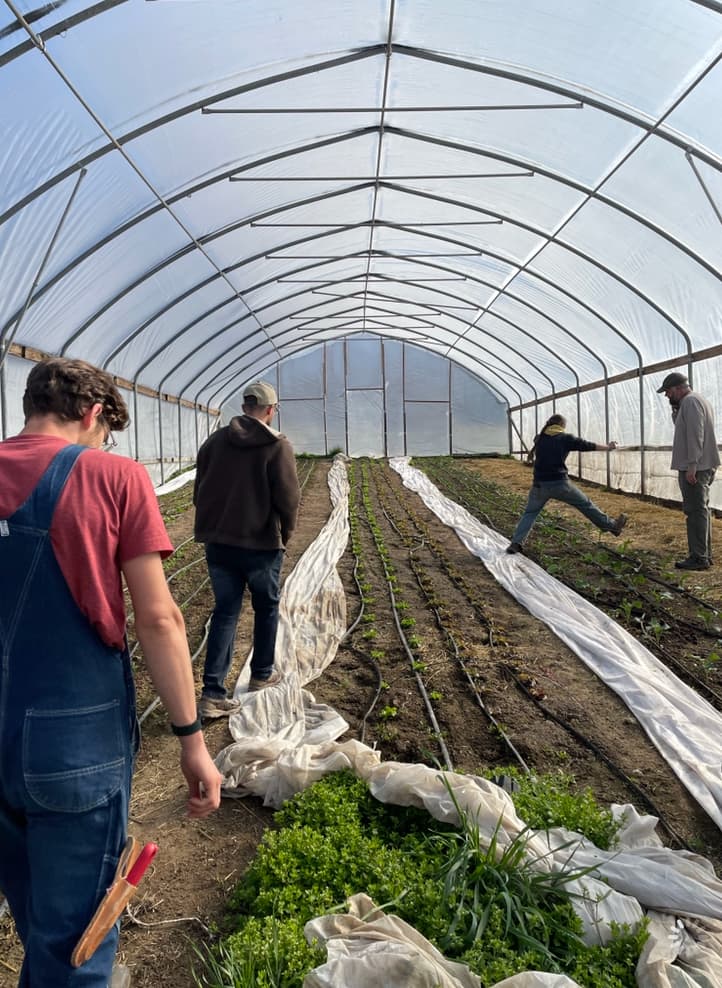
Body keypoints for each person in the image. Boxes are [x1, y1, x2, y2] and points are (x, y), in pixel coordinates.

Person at [0, 357, 222, 986]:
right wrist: (192, 740)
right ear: (93, 414)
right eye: (104, 433)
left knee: (33, 910)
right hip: (70, 741)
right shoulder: (113, 476)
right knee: (77, 939)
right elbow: (159, 619)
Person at [193, 380, 300, 717]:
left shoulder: (214, 442)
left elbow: (199, 490)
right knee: (266, 607)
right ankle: (261, 675)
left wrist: (212, 525)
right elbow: (288, 498)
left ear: (244, 408)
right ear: (270, 410)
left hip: (219, 543)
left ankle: (212, 694)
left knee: (226, 612)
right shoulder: (277, 445)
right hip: (260, 544)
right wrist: (286, 533)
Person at [507, 414, 627, 554]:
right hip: (560, 485)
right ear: (562, 426)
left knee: (530, 513)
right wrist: (608, 447)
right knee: (585, 504)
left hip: (539, 485)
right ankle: (612, 526)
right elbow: (587, 445)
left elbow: (542, 441)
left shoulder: (539, 438)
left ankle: (515, 544)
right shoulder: (565, 438)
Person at [658, 371, 719, 571]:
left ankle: (699, 558)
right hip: (702, 465)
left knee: (695, 511)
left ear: (678, 388)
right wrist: (676, 409)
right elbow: (686, 428)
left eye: (668, 391)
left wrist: (692, 464)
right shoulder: (695, 401)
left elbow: (695, 434)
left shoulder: (691, 402)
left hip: (696, 467)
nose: (666, 395)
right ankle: (704, 554)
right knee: (700, 510)